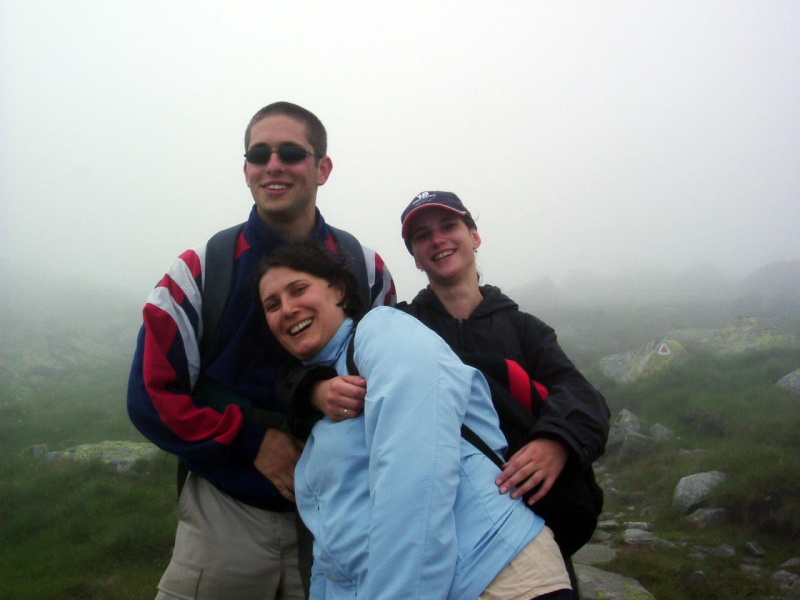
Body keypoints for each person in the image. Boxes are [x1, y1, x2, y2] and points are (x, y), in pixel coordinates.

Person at [126, 102, 395, 600]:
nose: (273, 165)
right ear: (246, 169)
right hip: (227, 519)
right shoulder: (200, 271)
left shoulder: (367, 270)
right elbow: (150, 396)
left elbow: (395, 390)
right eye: (258, 154)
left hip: (346, 521)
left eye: (291, 153)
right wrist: (250, 442)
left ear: (323, 168)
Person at [310, 191, 609, 597]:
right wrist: (314, 391)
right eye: (422, 236)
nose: (437, 240)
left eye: (449, 226)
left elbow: (580, 394)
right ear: (416, 259)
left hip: (527, 526)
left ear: (475, 237)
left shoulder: (524, 329)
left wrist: (556, 441)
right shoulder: (400, 326)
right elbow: (330, 364)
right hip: (434, 530)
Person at [258, 241, 574, 600]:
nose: (287, 309)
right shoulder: (316, 408)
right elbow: (331, 550)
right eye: (272, 305)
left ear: (339, 290)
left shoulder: (382, 330)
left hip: (495, 574)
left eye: (299, 289)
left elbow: (412, 475)